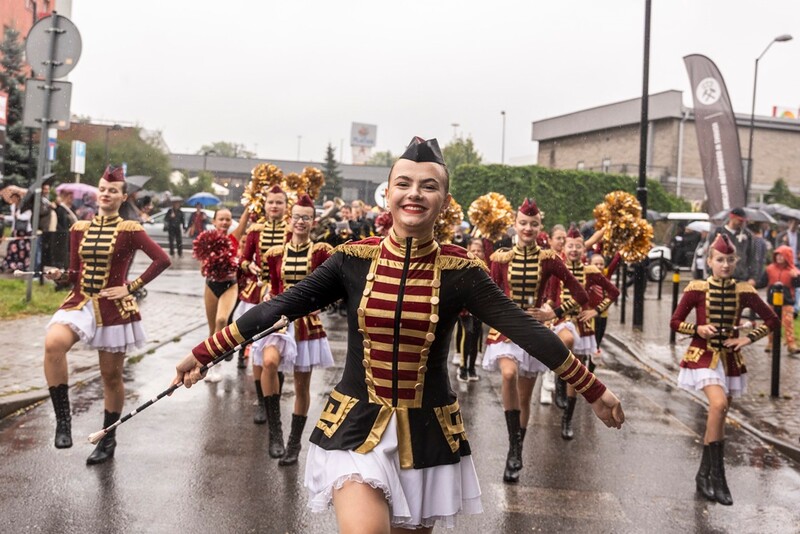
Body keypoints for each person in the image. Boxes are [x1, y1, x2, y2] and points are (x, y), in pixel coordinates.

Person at [172, 137, 624, 532]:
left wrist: (592, 388)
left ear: (445, 201)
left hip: (427, 435)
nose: (415, 193)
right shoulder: (352, 259)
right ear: (387, 194)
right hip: (354, 428)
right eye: (404, 183)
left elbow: (523, 329)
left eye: (429, 185)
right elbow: (280, 307)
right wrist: (205, 351)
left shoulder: (462, 271)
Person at [43, 166, 171, 464]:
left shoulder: (130, 229)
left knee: (111, 377)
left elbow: (161, 259)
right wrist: (61, 274)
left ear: (123, 196)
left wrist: (131, 287)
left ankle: (108, 438)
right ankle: (64, 421)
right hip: (81, 302)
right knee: (53, 344)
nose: (106, 193)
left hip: (113, 308)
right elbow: (75, 273)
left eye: (113, 190)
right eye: (102, 188)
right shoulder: (80, 229)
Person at [481, 198, 589, 484]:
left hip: (533, 330)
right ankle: (513, 446)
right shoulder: (500, 258)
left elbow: (581, 294)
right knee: (508, 373)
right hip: (505, 329)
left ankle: (515, 451)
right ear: (514, 225)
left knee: (525, 397)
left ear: (539, 226)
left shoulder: (549, 259)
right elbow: (489, 294)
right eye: (523, 223)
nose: (528, 228)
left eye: (534, 224)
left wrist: (553, 312)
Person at [670, 233, 778, 505]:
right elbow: (675, 322)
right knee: (718, 406)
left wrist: (747, 338)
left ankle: (705, 476)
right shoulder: (697, 288)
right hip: (703, 356)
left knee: (719, 416)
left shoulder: (744, 292)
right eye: (720, 260)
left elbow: (771, 319)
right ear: (709, 261)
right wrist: (698, 329)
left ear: (736, 261)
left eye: (730, 260)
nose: (725, 265)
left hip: (730, 361)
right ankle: (719, 476)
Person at [258, 194, 334, 465]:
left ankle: (294, 443)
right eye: (297, 217)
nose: (300, 222)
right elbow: (271, 284)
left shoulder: (321, 252)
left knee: (302, 387)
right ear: (290, 219)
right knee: (268, 363)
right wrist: (268, 296)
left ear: (313, 221)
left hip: (306, 327)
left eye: (306, 217)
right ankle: (275, 433)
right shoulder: (276, 254)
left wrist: (321, 306)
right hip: (279, 322)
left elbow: (336, 286)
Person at [537, 228, 619, 440]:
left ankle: (567, 419)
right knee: (566, 343)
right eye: (570, 246)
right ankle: (558, 381)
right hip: (561, 320)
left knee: (579, 375)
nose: (574, 250)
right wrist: (548, 309)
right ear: (564, 247)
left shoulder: (590, 271)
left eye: (578, 246)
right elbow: (551, 296)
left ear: (584, 249)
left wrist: (595, 310)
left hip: (583, 325)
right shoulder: (558, 268)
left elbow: (613, 292)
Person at [234, 185, 288, 423]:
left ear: (286, 206)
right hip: (256, 294)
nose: (274, 206)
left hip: (283, 295)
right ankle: (261, 401)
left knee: (279, 349)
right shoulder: (255, 230)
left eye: (279, 202)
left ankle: (273, 398)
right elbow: (243, 259)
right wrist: (249, 266)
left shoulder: (291, 230)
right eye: (271, 202)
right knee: (256, 348)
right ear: (264, 205)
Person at [195, 208, 240, 383]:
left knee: (222, 320)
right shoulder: (206, 240)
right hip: (211, 285)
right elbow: (201, 269)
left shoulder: (234, 238)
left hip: (230, 285)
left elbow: (244, 221)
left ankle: (219, 364)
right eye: (221, 219)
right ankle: (211, 366)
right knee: (212, 328)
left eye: (228, 219)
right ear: (214, 221)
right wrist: (208, 263)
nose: (224, 223)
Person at [456, 238, 486, 383]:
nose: (476, 253)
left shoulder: (485, 269)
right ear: (468, 250)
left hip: (479, 310)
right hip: (465, 309)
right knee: (467, 334)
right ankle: (462, 367)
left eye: (479, 251)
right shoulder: (463, 266)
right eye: (473, 250)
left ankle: (472, 367)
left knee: (476, 337)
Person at [764, 245, 800, 354]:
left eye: (782, 255)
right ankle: (771, 343)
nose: (779, 257)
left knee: (788, 323)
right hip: (772, 301)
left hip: (787, 301)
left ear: (787, 257)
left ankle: (791, 344)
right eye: (777, 255)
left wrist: (796, 277)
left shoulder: (793, 271)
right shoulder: (770, 269)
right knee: (771, 322)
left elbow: (797, 285)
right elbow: (763, 281)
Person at [708, 208, 757, 285]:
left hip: (741, 277)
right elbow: (709, 254)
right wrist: (710, 272)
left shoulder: (747, 235)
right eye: (739, 220)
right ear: (732, 218)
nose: (742, 223)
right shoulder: (718, 232)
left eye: (743, 221)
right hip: (720, 276)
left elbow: (752, 256)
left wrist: (753, 277)